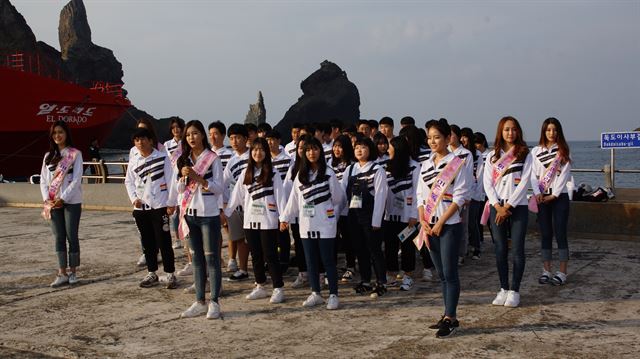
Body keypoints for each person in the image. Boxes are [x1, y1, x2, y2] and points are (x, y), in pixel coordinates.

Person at [417, 118, 469, 339]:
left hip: (448, 225)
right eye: (429, 138)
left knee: (450, 273)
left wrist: (439, 223)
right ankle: (446, 313)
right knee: (441, 274)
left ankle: (452, 317)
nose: (432, 141)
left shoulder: (457, 163)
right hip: (430, 226)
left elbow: (460, 197)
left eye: (437, 137)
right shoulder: (426, 164)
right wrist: (423, 221)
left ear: (448, 138)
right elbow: (421, 195)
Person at [280, 137, 346, 309]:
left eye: (315, 149)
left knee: (328, 260)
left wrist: (328, 210)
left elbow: (338, 197)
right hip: (306, 224)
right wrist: (284, 219)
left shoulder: (329, 173)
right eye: (308, 150)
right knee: (311, 260)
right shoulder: (300, 175)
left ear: (320, 151)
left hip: (325, 223)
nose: (311, 153)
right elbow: (293, 202)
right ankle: (315, 293)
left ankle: (333, 294)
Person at [224, 138, 287, 304]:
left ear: (266, 152)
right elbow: (237, 194)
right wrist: (227, 212)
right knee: (256, 255)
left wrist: (283, 218)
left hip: (268, 219)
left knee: (270, 255)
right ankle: (260, 285)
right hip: (250, 219)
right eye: (254, 150)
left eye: (261, 150)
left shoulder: (274, 173)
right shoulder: (246, 172)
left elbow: (280, 197)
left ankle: (278, 288)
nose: (257, 153)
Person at [174, 120, 225, 319]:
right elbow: (178, 191)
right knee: (196, 259)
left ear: (202, 135)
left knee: (212, 259)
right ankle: (199, 301)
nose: (191, 138)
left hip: (209, 214)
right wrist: (182, 177)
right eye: (188, 135)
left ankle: (214, 302)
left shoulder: (213, 159)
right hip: (190, 214)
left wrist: (200, 179)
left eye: (195, 133)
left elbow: (219, 188)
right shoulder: (184, 159)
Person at [483, 116, 532, 308]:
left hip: (517, 207)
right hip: (497, 208)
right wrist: (497, 206)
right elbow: (487, 184)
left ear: (518, 131)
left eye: (513, 129)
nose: (510, 133)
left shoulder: (525, 154)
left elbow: (525, 182)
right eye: (506, 130)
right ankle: (503, 288)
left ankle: (515, 290)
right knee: (500, 249)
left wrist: (508, 207)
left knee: (518, 249)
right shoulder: (491, 156)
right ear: (500, 132)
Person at [124, 128, 178, 289]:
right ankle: (152, 272)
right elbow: (129, 182)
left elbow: (171, 181)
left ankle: (170, 273)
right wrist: (134, 199)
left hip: (160, 207)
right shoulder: (134, 160)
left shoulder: (162, 157)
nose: (140, 143)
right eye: (136, 140)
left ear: (150, 140)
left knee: (164, 241)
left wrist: (170, 203)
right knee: (147, 242)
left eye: (143, 139)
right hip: (141, 209)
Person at [341, 137, 389, 298]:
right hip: (354, 215)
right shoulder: (350, 169)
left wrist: (377, 220)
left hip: (370, 215)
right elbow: (342, 194)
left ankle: (381, 282)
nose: (359, 150)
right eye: (357, 148)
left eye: (363, 147)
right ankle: (366, 280)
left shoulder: (378, 169)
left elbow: (381, 196)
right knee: (360, 249)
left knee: (374, 250)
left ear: (370, 149)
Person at [40, 121, 84, 287]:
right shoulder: (48, 156)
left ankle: (73, 272)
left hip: (71, 201)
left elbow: (77, 179)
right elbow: (44, 180)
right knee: (58, 237)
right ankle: (62, 273)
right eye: (54, 133)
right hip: (52, 202)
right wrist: (48, 199)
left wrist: (63, 198)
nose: (57, 135)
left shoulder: (75, 154)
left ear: (66, 134)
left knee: (71, 235)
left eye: (60, 132)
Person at [531, 118, 572, 286]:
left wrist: (554, 195)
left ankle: (562, 272)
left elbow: (564, 175)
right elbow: (533, 175)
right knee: (546, 234)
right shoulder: (535, 151)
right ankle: (546, 270)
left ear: (559, 131)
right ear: (543, 131)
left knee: (560, 233)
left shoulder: (563, 151)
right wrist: (537, 193)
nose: (551, 133)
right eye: (548, 130)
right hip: (541, 196)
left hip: (559, 197)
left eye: (554, 130)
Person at [383, 136, 420, 291]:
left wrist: (414, 215)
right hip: (390, 214)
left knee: (407, 247)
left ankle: (408, 276)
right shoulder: (386, 167)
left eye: (390, 146)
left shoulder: (414, 166)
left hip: (407, 216)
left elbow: (418, 191)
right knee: (390, 246)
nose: (387, 149)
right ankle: (391, 275)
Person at [223, 124, 252, 281]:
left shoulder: (253, 156)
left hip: (253, 206)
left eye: (238, 137)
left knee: (256, 239)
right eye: (232, 138)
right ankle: (243, 269)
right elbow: (222, 182)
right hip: (236, 206)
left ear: (246, 139)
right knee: (240, 238)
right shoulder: (231, 161)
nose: (234, 141)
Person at [329, 135, 357, 282]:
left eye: (339, 146)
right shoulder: (328, 164)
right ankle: (331, 267)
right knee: (332, 238)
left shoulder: (352, 165)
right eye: (335, 146)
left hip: (347, 208)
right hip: (330, 208)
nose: (336, 149)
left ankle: (350, 266)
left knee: (348, 238)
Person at [266, 130, 293, 272]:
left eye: (272, 140)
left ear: (278, 141)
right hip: (268, 201)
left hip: (283, 201)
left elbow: (290, 182)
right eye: (267, 140)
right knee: (269, 232)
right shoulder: (264, 160)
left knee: (282, 231)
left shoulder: (288, 160)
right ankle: (270, 260)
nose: (269, 143)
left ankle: (284, 260)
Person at [448, 124, 474, 266]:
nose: (450, 137)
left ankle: (461, 253)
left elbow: (469, 176)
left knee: (462, 225)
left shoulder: (466, 154)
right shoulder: (445, 153)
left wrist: (467, 196)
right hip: (445, 197)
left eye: (452, 134)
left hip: (461, 196)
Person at [461, 128, 484, 260]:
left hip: (474, 194)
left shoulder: (477, 155)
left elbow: (479, 176)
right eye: (461, 137)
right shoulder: (459, 154)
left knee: (472, 222)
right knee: (463, 223)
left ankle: (476, 247)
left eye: (465, 137)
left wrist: (476, 194)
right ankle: (465, 247)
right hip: (463, 195)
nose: (463, 139)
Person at [164, 117, 186, 250]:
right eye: (173, 128)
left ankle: (185, 237)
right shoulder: (166, 145)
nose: (176, 130)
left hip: (183, 179)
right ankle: (177, 238)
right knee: (174, 212)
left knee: (183, 209)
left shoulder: (187, 143)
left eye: (178, 127)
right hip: (171, 179)